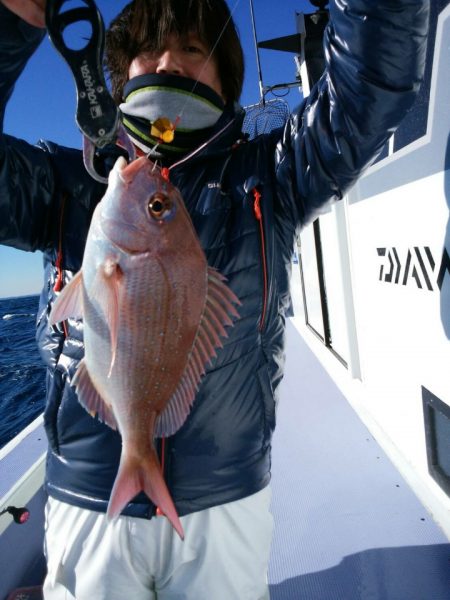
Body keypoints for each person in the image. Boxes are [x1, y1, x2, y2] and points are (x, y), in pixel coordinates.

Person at [0, 0, 429, 598]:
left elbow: (370, 93)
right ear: (118, 79)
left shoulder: (273, 175)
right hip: (88, 499)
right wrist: (9, 25)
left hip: (226, 504)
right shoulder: (66, 185)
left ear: (229, 84)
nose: (170, 62)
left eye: (195, 50)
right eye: (150, 51)